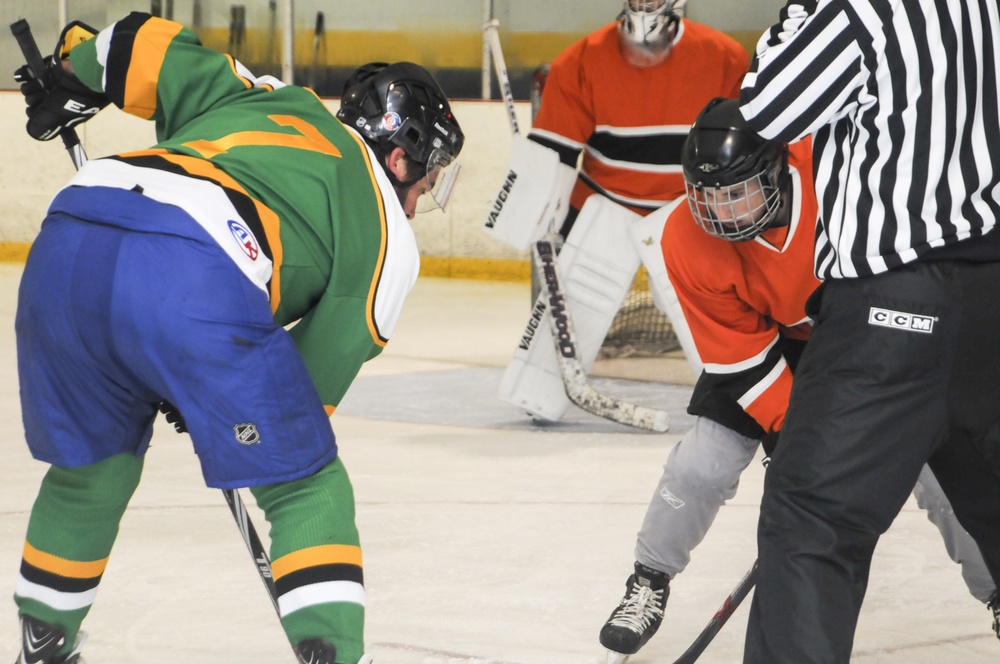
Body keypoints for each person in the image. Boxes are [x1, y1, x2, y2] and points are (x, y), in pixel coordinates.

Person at [11, 12, 463, 664]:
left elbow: (140, 40)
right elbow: (306, 396)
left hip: (70, 235)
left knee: (92, 468)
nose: (420, 199)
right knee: (307, 483)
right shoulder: (388, 232)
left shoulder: (267, 96)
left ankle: (43, 642)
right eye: (427, 177)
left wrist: (69, 75)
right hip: (196, 267)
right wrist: (212, 399)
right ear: (400, 154)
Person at [597, 97, 998, 663]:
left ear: (779, 169)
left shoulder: (840, 179)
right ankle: (650, 578)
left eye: (735, 193)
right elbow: (738, 358)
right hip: (770, 345)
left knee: (940, 478)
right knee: (701, 463)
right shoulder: (686, 238)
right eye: (706, 196)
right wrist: (799, 441)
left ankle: (997, 593)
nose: (721, 214)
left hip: (865, 332)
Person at [736, 2, 1000, 661]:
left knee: (812, 527)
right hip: (992, 301)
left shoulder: (861, 8)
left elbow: (769, 108)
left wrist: (794, 15)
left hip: (891, 310)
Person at [529, 0, 748, 237]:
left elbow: (743, 155)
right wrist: (538, 219)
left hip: (691, 214)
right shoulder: (580, 61)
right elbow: (551, 155)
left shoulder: (726, 58)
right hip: (602, 210)